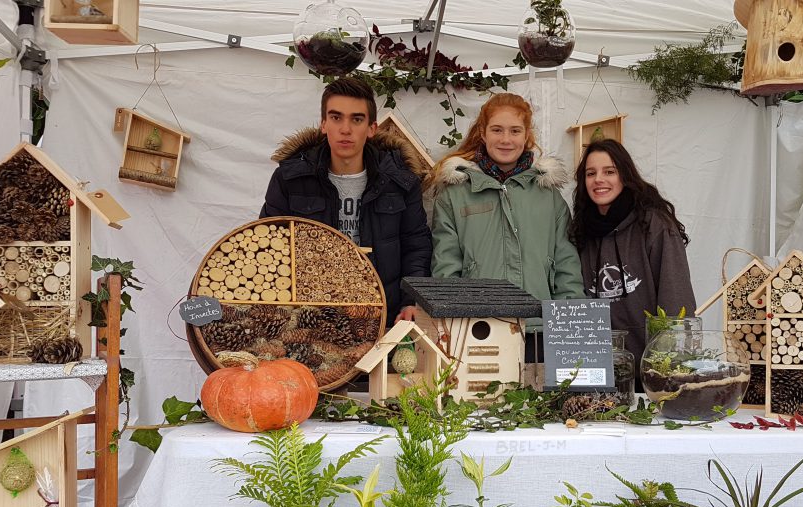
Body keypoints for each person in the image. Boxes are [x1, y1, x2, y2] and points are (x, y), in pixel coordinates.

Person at [261, 77, 432, 324]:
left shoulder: (400, 182)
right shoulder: (290, 179)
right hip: (309, 317)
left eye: (357, 119)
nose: (345, 129)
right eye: (336, 117)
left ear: (372, 128)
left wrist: (411, 301)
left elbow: (416, 246)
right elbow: (270, 244)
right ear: (323, 124)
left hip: (381, 315)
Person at [426, 92, 583, 303]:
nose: (506, 140)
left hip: (538, 327)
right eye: (497, 130)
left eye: (515, 131)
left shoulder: (549, 196)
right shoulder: (455, 195)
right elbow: (446, 267)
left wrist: (567, 321)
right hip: (480, 327)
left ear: (526, 135)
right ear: (483, 133)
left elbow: (567, 266)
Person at [569, 138, 696, 367]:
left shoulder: (654, 224)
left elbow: (675, 295)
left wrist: (670, 363)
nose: (599, 179)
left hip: (653, 365)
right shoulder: (581, 231)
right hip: (600, 366)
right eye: (590, 173)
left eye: (609, 171)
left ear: (625, 176)